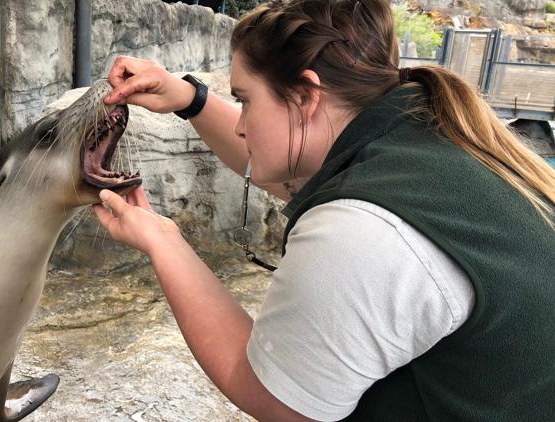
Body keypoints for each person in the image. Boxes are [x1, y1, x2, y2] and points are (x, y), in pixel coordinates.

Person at [94, 0, 555, 420]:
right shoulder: (420, 132)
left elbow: (281, 401)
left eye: (244, 100)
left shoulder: (364, 231)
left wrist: (164, 242)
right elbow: (281, 161)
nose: (239, 124)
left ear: (306, 96)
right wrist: (189, 98)